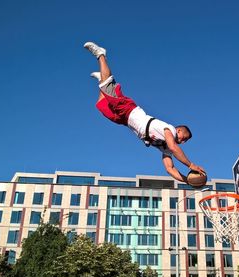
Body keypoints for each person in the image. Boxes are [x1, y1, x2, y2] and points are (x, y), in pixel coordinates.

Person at [83, 41, 206, 184]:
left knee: (102, 105)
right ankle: (101, 55)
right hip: (130, 110)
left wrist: (188, 181)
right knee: (107, 86)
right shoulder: (169, 130)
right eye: (184, 137)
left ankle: (102, 79)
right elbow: (174, 147)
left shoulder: (165, 147)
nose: (183, 141)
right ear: (178, 130)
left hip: (125, 120)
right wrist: (191, 165)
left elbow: (170, 168)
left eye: (185, 141)